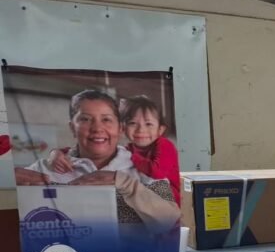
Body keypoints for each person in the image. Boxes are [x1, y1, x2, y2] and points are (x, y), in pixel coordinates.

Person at [14, 90, 180, 234]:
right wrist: (13, 181)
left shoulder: (144, 168)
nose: (97, 128)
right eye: (85, 119)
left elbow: (169, 222)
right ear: (72, 127)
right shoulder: (43, 169)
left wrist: (126, 184)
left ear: (120, 128)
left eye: (106, 119)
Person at [48, 95, 181, 204]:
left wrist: (130, 159)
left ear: (160, 129)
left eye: (149, 124)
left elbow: (157, 172)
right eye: (132, 123)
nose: (141, 130)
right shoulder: (129, 149)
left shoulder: (164, 145)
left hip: (173, 199)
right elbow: (73, 150)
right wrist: (56, 153)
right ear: (123, 128)